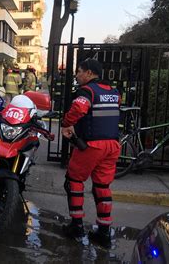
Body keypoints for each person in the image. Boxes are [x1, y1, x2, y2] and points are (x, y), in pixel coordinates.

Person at [61, 59, 121, 248]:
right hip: (112, 145)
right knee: (102, 186)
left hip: (92, 146)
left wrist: (66, 123)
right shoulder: (113, 92)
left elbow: (79, 108)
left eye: (79, 71)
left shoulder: (87, 91)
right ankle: (103, 232)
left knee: (74, 181)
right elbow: (105, 115)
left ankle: (76, 226)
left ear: (88, 73)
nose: (77, 75)